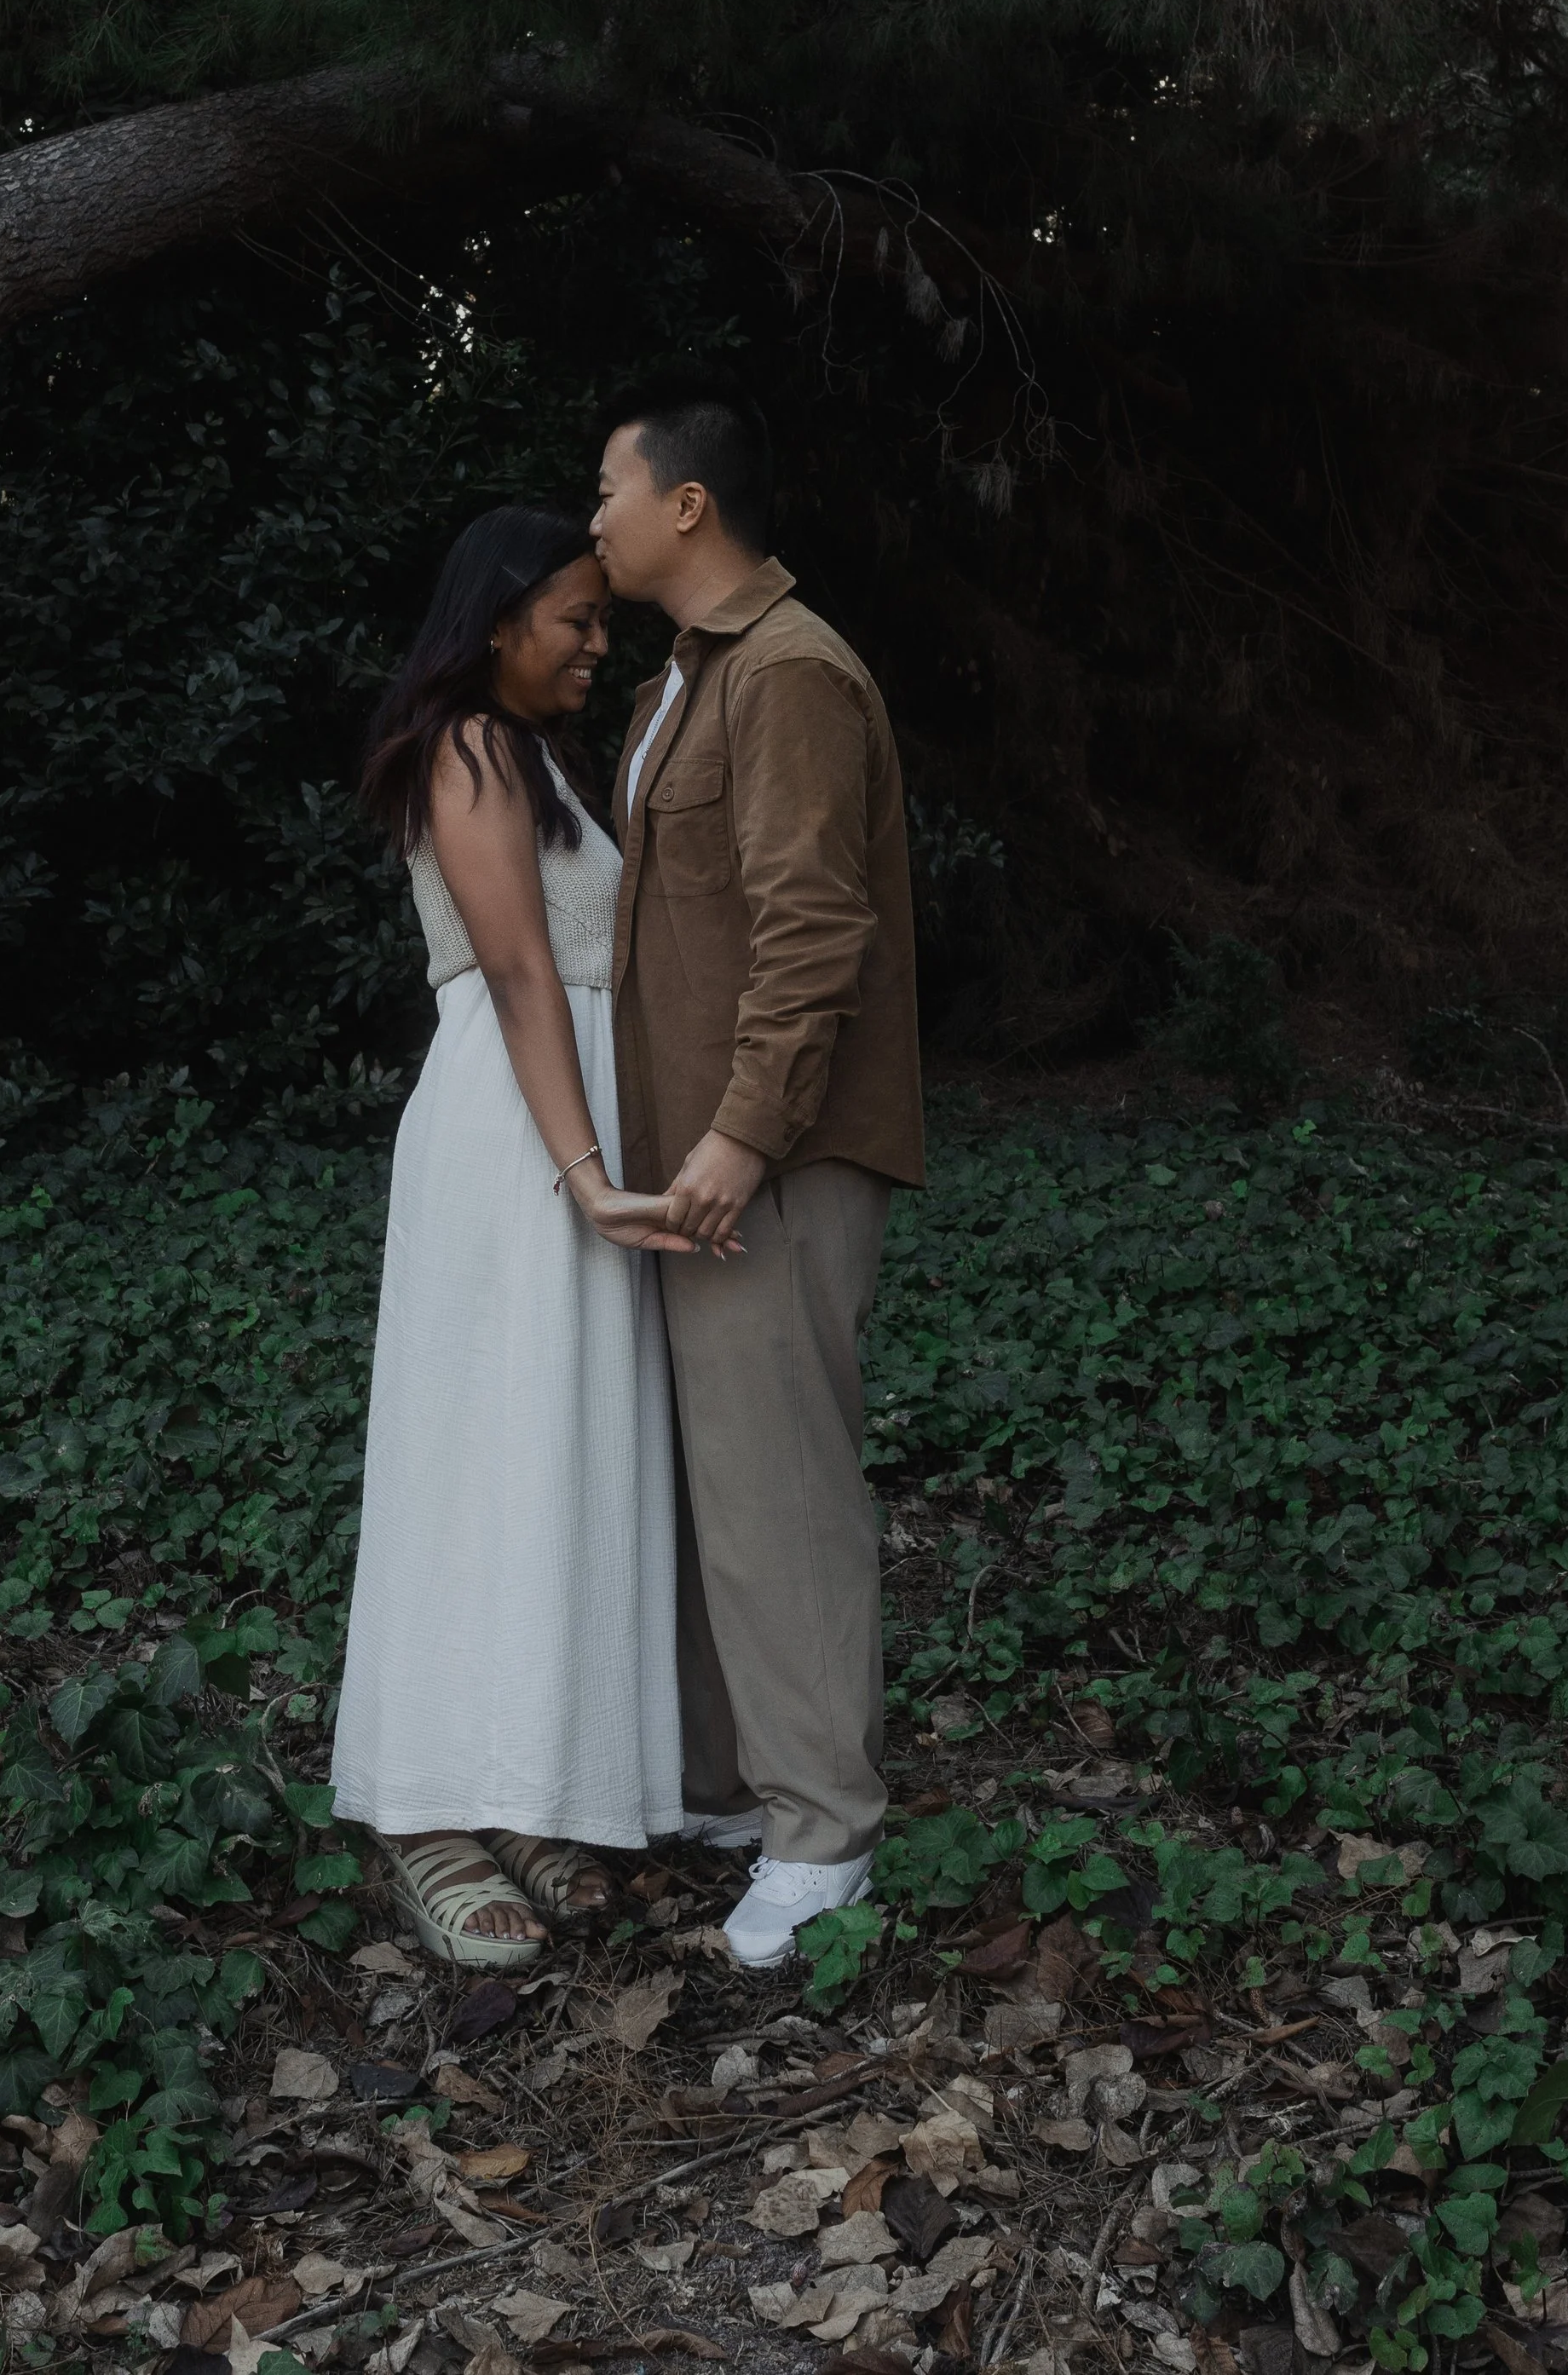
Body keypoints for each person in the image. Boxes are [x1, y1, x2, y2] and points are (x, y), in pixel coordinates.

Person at [330, 505, 701, 1969]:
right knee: (474, 1449)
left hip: (562, 1128)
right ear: (496, 622)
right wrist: (586, 1171)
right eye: (578, 619)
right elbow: (518, 970)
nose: (600, 644)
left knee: (552, 1451)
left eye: (605, 620)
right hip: (516, 1141)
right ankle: (424, 1808)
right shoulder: (472, 747)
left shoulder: (535, 758)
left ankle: (525, 1782)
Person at [591, 372, 925, 1970]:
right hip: (697, 1159)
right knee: (719, 1484)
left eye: (608, 489)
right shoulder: (683, 677)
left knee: (781, 1488)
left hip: (770, 1156)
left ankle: (822, 1834)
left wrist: (739, 1132)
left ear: (688, 503)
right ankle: (735, 1790)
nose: (593, 519)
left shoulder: (789, 673)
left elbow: (812, 927)